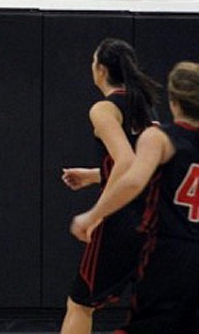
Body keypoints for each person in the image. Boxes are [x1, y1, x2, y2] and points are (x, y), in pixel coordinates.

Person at [71, 61, 199, 334]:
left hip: (168, 252)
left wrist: (93, 215)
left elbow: (133, 180)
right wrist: (95, 175)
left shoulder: (160, 137)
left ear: (174, 101)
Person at [59, 38, 161, 334]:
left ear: (101, 70)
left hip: (124, 217)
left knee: (80, 304)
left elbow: (126, 163)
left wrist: (96, 215)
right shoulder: (146, 107)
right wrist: (93, 175)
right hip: (156, 216)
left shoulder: (104, 109)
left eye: (93, 62)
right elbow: (145, 167)